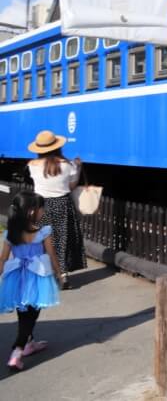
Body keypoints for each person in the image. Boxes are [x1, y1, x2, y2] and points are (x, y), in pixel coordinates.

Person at [0, 191, 61, 371]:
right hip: (38, 277)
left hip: (17, 277)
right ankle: (17, 352)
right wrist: (59, 273)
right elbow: (51, 255)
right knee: (31, 316)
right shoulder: (43, 232)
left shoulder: (10, 234)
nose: (43, 212)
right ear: (31, 211)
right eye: (41, 209)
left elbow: (3, 258)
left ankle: (30, 343)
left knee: (23, 312)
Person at [26, 130, 87, 288]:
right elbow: (71, 186)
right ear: (57, 147)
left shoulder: (32, 165)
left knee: (42, 241)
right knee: (62, 240)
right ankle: (63, 276)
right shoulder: (67, 165)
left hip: (40, 206)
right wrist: (78, 168)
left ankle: (44, 275)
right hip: (62, 205)